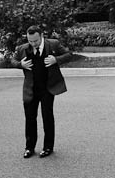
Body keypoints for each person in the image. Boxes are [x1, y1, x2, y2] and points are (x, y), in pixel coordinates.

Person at [11, 25, 71, 159]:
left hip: (47, 89)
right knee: (30, 119)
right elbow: (12, 60)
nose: (33, 44)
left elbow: (69, 55)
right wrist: (20, 65)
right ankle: (29, 148)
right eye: (30, 41)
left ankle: (48, 147)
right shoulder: (22, 48)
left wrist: (56, 59)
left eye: (35, 41)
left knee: (47, 118)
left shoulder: (53, 44)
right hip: (30, 89)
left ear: (41, 36)